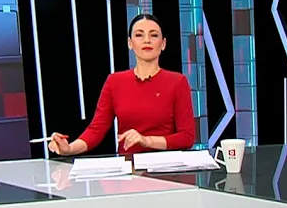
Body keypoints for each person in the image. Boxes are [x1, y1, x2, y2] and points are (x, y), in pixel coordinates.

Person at [48, 14, 196, 157]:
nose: (147, 40)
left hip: (165, 167)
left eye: (154, 35)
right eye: (139, 35)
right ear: (130, 43)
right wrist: (69, 149)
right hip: (128, 167)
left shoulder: (178, 82)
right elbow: (96, 129)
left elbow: (187, 137)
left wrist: (147, 141)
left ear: (163, 44)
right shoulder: (114, 81)